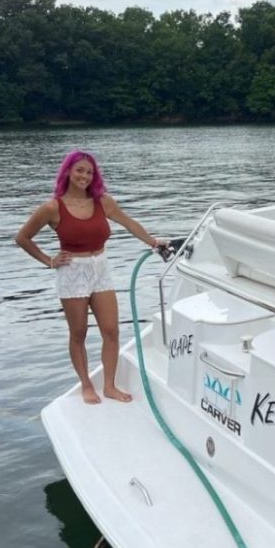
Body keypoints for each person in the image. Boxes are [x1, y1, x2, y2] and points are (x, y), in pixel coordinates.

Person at [16, 150, 166, 405]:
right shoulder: (52, 207)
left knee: (111, 330)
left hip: (100, 268)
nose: (85, 176)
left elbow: (129, 223)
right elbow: (22, 237)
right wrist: (49, 261)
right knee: (79, 333)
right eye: (80, 170)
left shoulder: (103, 202)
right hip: (72, 271)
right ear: (67, 172)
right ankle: (86, 384)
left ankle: (109, 385)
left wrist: (153, 242)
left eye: (89, 172)